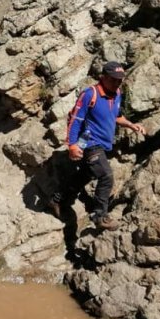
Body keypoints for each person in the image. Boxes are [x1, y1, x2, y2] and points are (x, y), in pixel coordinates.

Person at [49, 61, 146, 230]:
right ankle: (100, 216)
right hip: (89, 143)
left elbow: (116, 116)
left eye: (120, 79)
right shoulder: (90, 94)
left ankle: (57, 199)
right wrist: (72, 145)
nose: (118, 82)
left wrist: (131, 125)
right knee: (106, 175)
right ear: (104, 77)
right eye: (114, 79)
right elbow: (75, 120)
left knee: (86, 174)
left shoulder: (116, 93)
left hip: (104, 144)